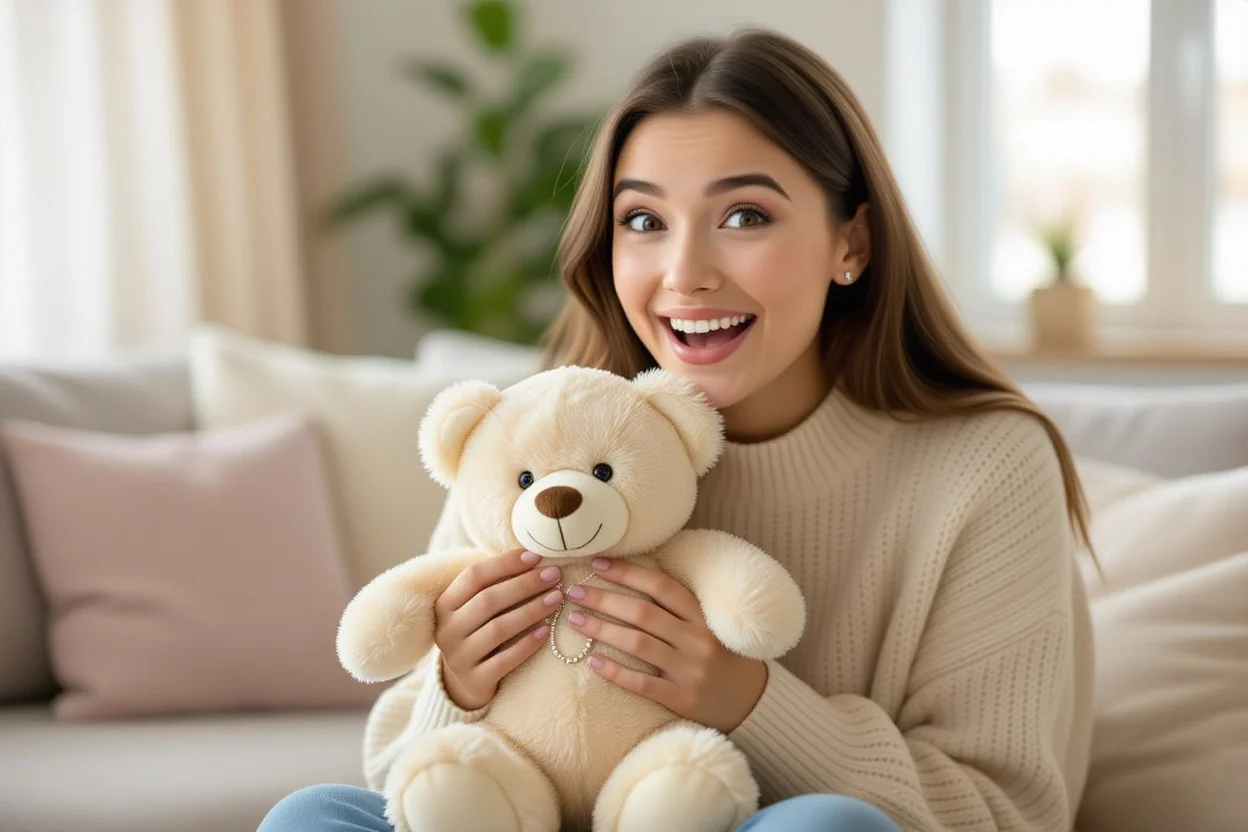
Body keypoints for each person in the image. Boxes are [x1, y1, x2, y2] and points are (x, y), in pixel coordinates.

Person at [260, 27, 1094, 832]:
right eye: (645, 221)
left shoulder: (986, 464)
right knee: (311, 818)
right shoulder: (543, 435)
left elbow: (1005, 814)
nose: (685, 273)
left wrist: (748, 701)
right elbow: (397, 771)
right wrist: (460, 690)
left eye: (744, 217)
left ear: (853, 240)